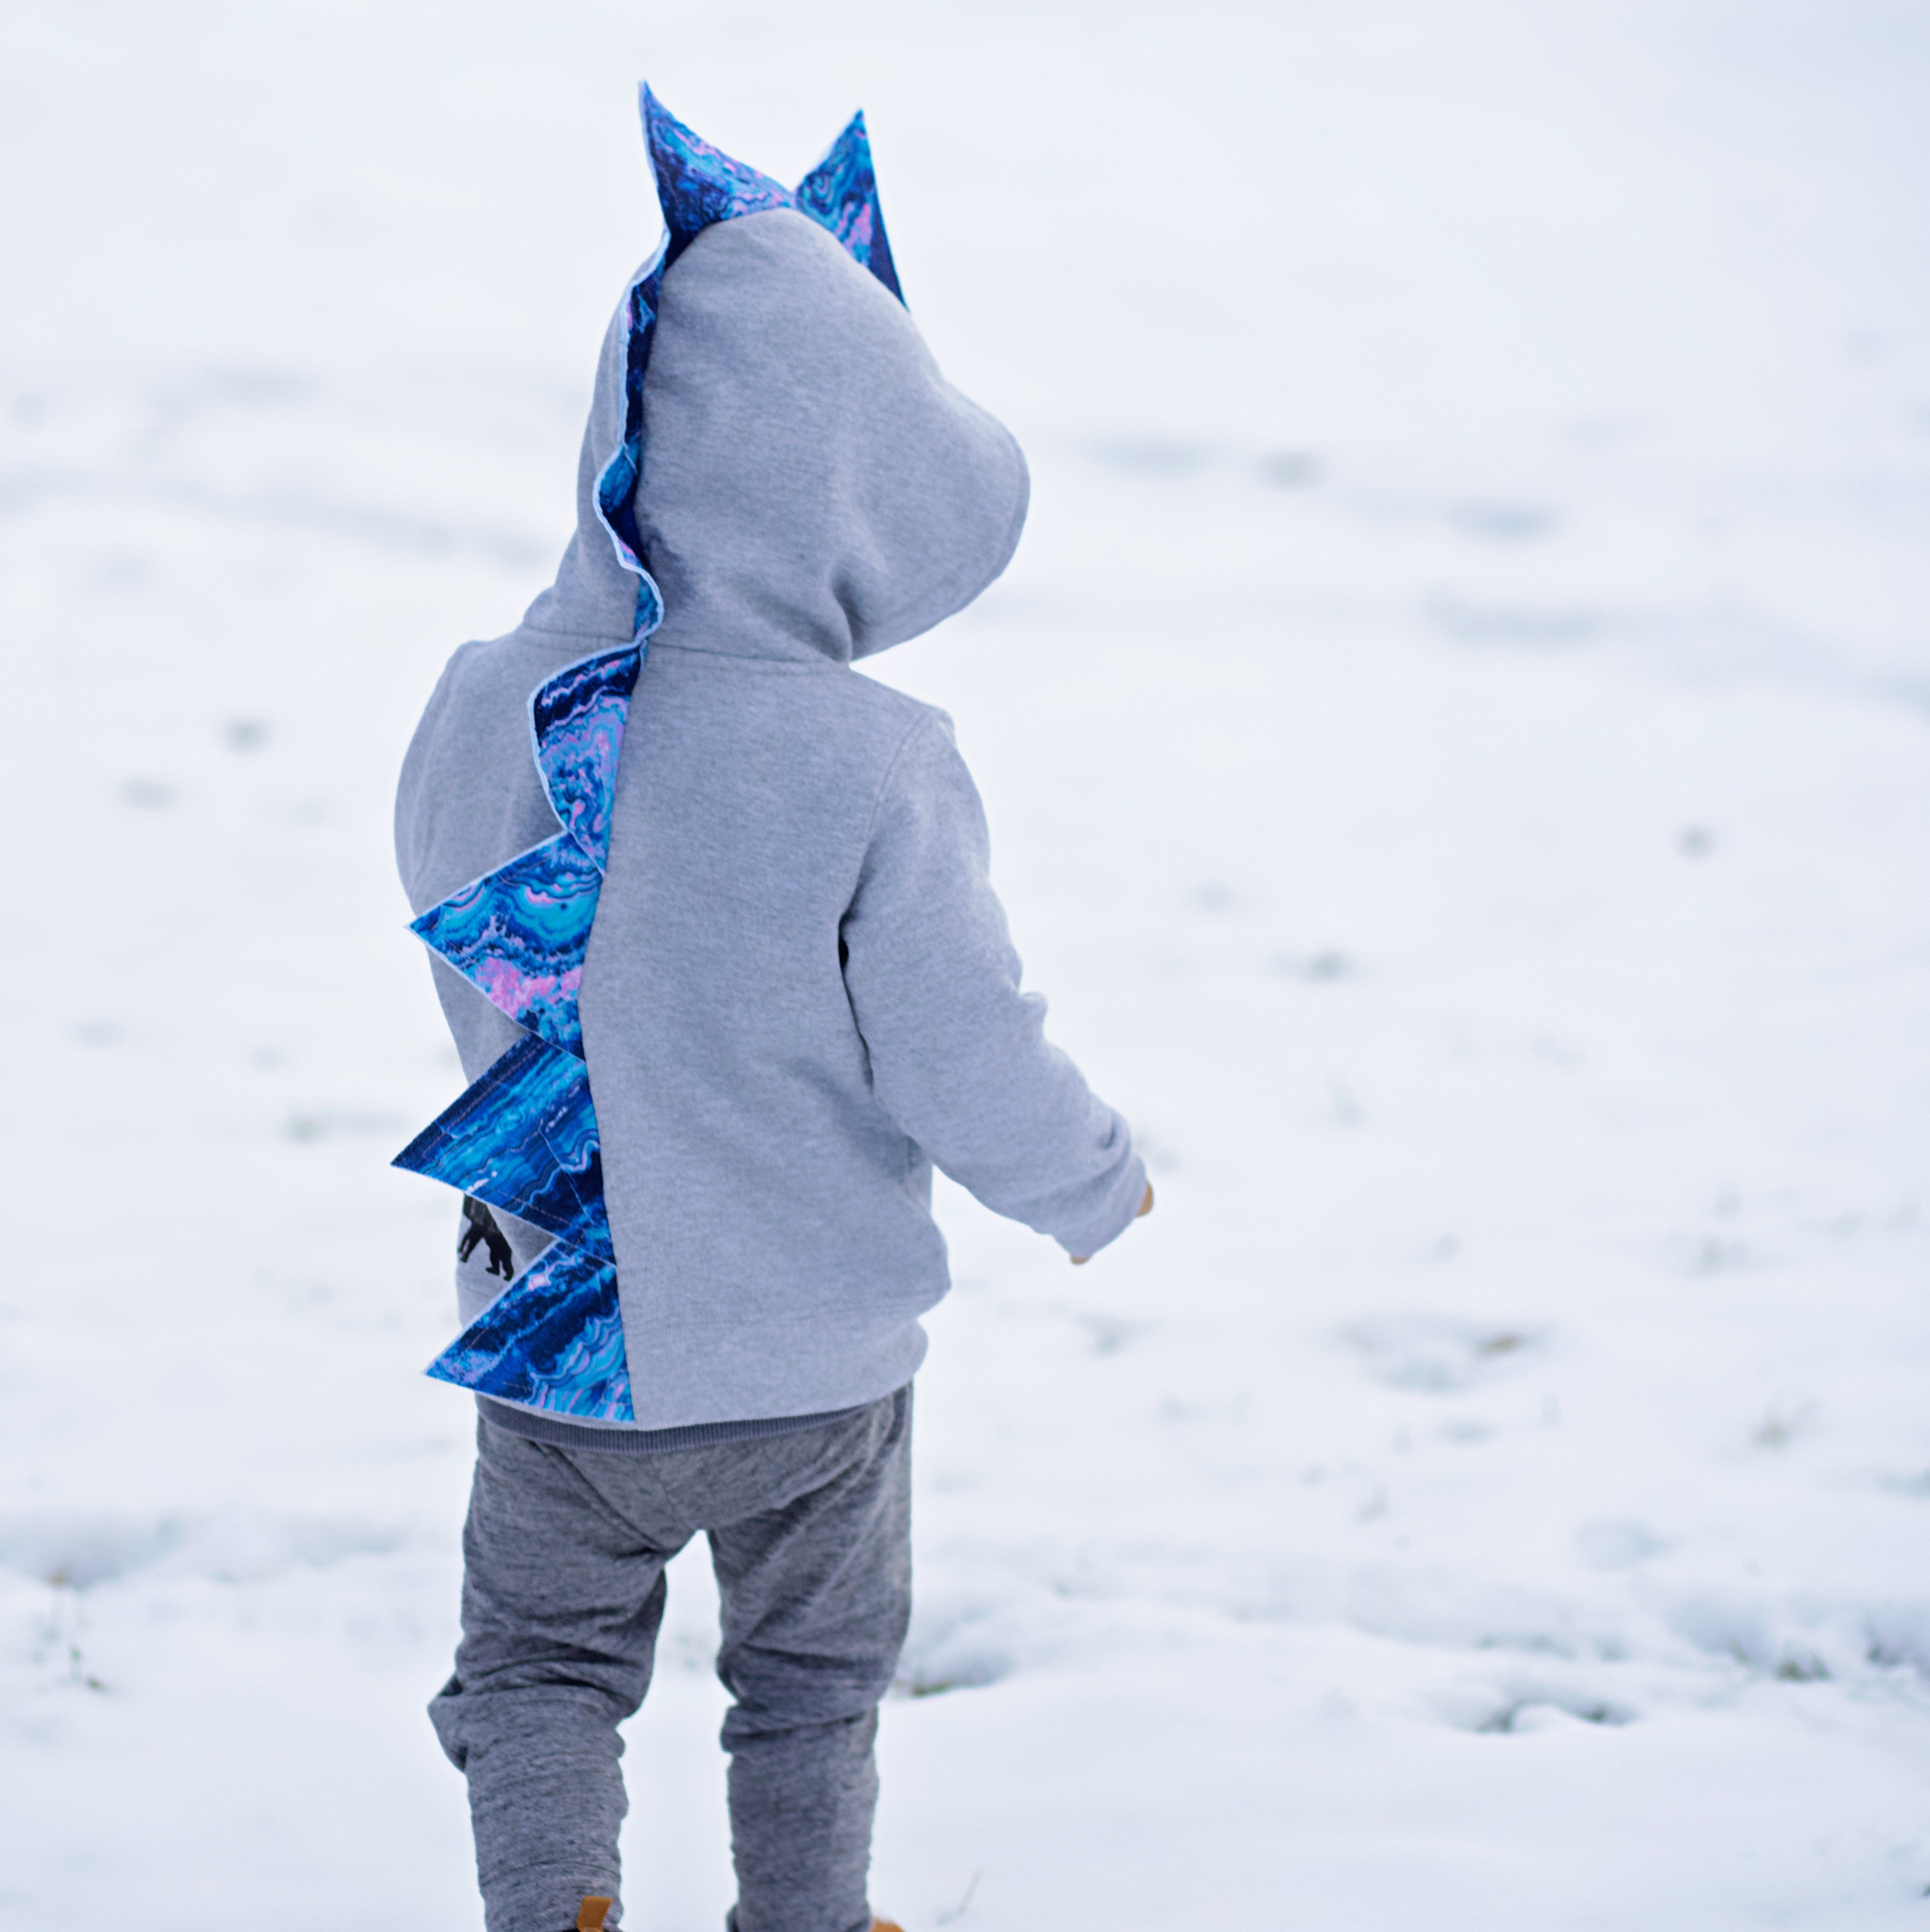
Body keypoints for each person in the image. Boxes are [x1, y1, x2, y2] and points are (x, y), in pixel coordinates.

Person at [393, 94, 1151, 1932]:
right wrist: (1090, 1179)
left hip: (572, 1343)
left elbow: (437, 894)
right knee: (807, 1692)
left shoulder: (495, 702)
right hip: (820, 1371)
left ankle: (558, 1908)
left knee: (541, 1675)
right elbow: (958, 1038)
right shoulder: (876, 761)